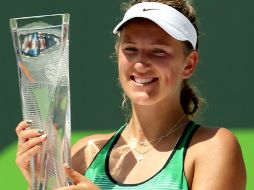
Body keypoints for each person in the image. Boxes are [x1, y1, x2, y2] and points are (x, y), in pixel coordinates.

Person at [15, 0, 246, 189]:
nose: (140, 62)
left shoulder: (213, 147)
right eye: (130, 49)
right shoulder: (85, 152)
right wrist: (42, 181)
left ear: (189, 63)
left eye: (159, 51)